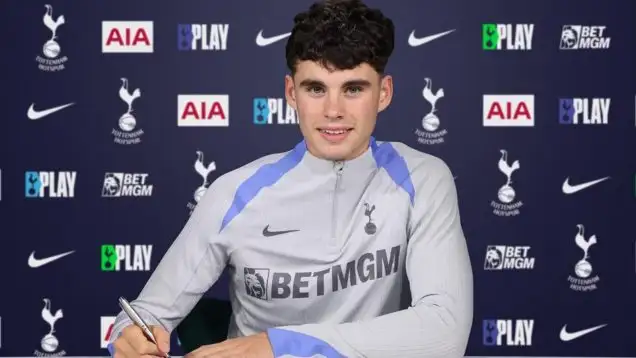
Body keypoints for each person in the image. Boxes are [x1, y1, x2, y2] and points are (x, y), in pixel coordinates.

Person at [108, 0, 473, 357]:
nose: (333, 111)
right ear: (290, 93)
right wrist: (129, 337)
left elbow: (445, 333)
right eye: (316, 89)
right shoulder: (235, 193)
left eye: (353, 89)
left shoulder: (423, 178)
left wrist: (278, 345)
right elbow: (143, 316)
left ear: (384, 93)